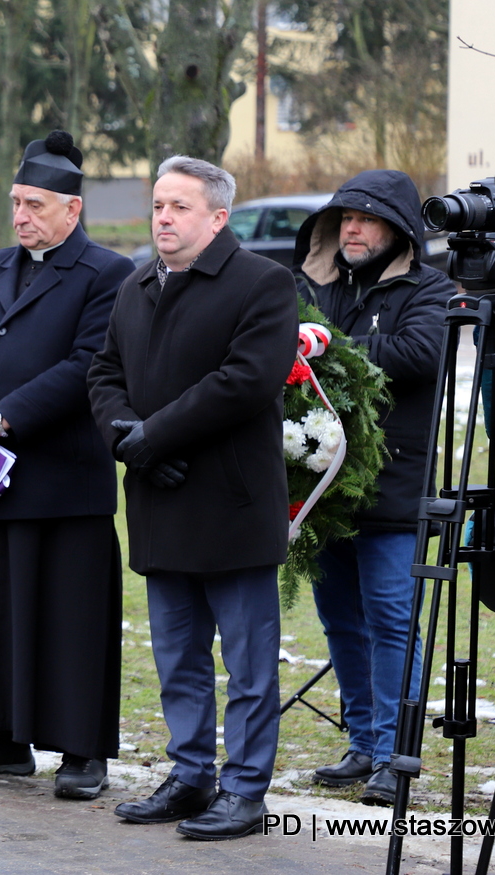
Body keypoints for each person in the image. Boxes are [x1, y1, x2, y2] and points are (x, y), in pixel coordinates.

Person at [88, 156, 297, 841]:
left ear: (217, 217)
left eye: (179, 206)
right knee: (178, 658)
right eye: (157, 206)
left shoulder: (262, 283)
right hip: (160, 500)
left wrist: (156, 434)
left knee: (247, 662)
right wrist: (128, 438)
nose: (163, 219)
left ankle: (243, 788)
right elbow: (104, 370)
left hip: (230, 505)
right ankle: (189, 774)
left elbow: (245, 380)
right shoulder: (136, 283)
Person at [0, 131, 133, 797]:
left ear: (72, 210)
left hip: (63, 476)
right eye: (16, 203)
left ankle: (81, 751)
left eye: (35, 205)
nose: (21, 216)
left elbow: (86, 365)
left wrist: (1, 418)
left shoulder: (107, 274)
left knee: (70, 617)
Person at [291, 170, 454, 805]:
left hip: (394, 490)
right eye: (343, 220)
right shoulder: (318, 287)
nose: (351, 230)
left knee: (391, 621)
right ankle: (363, 743)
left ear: (400, 231)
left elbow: (419, 354)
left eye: (366, 219)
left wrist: (327, 347)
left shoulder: (431, 289)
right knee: (341, 621)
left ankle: (395, 755)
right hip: (323, 491)